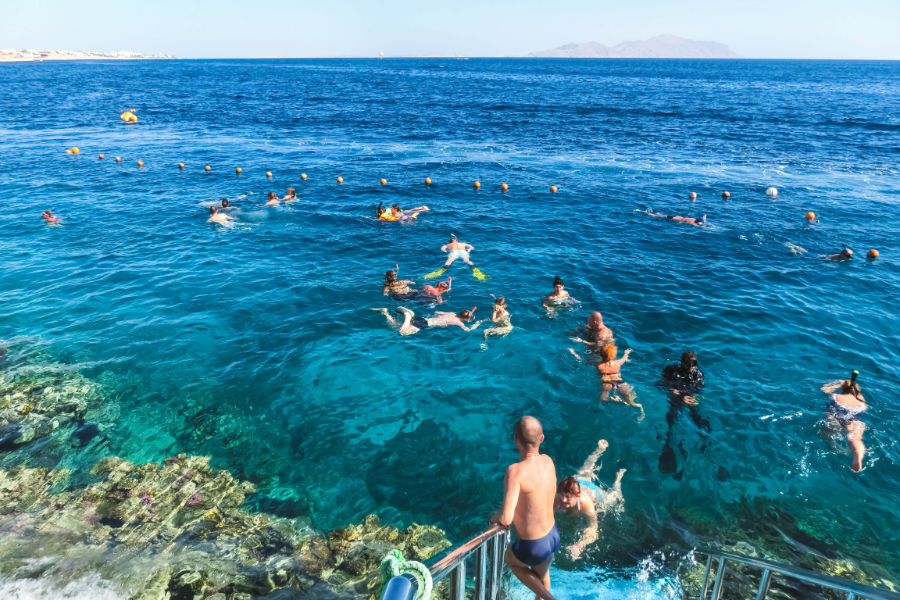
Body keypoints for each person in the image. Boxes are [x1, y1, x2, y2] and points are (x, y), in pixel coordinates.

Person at [490, 416, 559, 600]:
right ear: (542, 438)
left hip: (534, 545)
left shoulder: (515, 471)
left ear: (515, 439)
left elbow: (506, 518)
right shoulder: (548, 461)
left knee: (511, 561)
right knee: (542, 579)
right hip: (553, 535)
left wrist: (493, 518)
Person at [554, 440, 626, 559]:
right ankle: (599, 450)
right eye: (562, 497)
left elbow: (593, 529)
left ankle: (618, 480)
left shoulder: (585, 503)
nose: (564, 501)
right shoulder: (557, 498)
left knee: (615, 498)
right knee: (585, 469)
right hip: (577, 480)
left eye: (568, 499)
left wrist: (579, 545)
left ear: (577, 497)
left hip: (593, 492)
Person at [659, 351, 710, 479]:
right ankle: (668, 440)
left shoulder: (698, 375)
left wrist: (693, 398)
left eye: (694, 366)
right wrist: (680, 395)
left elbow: (699, 389)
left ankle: (704, 439)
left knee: (696, 415)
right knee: (672, 414)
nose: (693, 369)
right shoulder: (671, 371)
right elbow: (662, 384)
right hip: (677, 396)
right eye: (690, 366)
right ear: (682, 364)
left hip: (689, 395)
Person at [821, 371, 867, 472]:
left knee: (825, 435)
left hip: (836, 415)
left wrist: (838, 383)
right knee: (855, 439)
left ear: (842, 388)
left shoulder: (836, 396)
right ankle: (857, 455)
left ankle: (835, 448)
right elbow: (863, 404)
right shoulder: (861, 402)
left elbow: (825, 389)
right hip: (854, 417)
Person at [595, 344, 643, 419]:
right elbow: (624, 358)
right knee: (630, 402)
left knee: (603, 400)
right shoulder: (618, 363)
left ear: (601, 355)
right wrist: (626, 353)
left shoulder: (599, 365)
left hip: (607, 383)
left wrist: (574, 353)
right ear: (614, 355)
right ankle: (640, 409)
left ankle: (608, 403)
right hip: (620, 383)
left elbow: (584, 361)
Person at [374, 306, 481, 336]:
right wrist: (476, 324)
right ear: (465, 318)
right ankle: (407, 315)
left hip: (424, 319)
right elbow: (468, 330)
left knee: (395, 326)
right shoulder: (459, 322)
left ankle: (385, 313)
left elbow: (438, 312)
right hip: (425, 324)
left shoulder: (452, 313)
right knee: (402, 333)